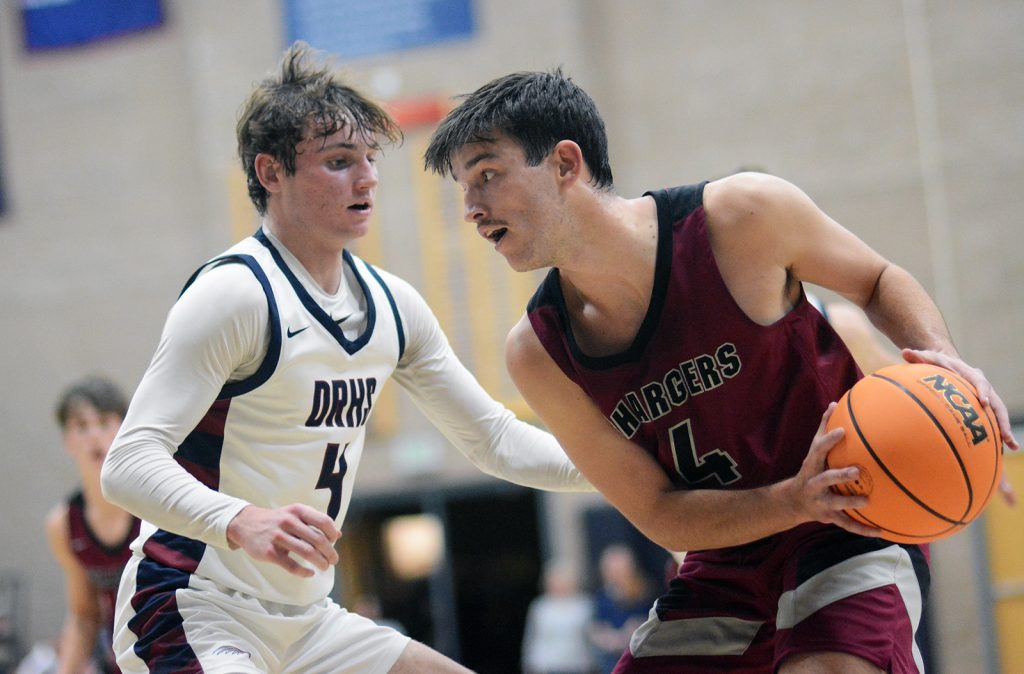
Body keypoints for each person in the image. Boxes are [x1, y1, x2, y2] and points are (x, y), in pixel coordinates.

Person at [423, 69, 1019, 673]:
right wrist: (790, 500)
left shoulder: (741, 217)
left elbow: (877, 280)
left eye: (487, 175)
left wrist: (946, 367)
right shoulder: (538, 352)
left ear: (564, 164)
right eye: (464, 188)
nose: (471, 209)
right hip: (726, 556)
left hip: (850, 516)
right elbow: (658, 512)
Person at [100, 45, 591, 674]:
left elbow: (494, 439)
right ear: (271, 172)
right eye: (338, 162)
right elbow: (127, 462)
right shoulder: (236, 295)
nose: (366, 179)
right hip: (193, 606)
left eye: (370, 160)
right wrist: (240, 520)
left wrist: (623, 468)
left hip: (310, 621)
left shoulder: (393, 305)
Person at [45, 376, 140, 674]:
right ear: (67, 441)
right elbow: (85, 617)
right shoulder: (64, 525)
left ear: (124, 429)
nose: (94, 435)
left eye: (104, 422)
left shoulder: (154, 501)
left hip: (174, 653)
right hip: (119, 662)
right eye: (82, 426)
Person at [587, 546, 654, 674]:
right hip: (611, 658)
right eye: (611, 569)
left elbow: (650, 621)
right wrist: (609, 638)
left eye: (619, 568)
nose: (615, 573)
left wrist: (632, 631)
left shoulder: (645, 593)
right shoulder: (602, 597)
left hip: (639, 655)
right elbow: (595, 627)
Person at [520, 561, 595, 674]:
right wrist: (528, 663)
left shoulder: (584, 605)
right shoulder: (540, 606)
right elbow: (531, 637)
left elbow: (591, 637)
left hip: (576, 666)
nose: (559, 584)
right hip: (545, 665)